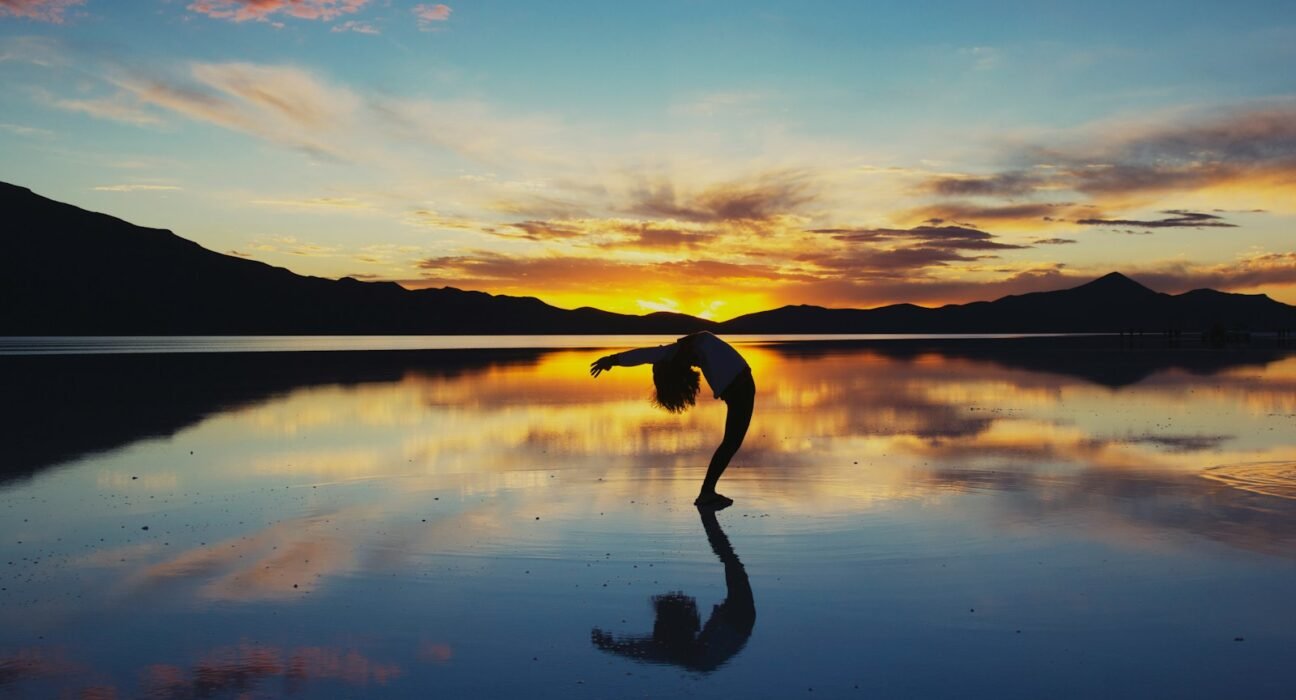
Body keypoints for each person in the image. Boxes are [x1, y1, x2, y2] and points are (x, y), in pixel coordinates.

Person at [590, 331, 754, 508]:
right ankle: (707, 492)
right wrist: (612, 360)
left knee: (730, 443)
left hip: (739, 388)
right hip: (739, 390)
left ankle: (707, 491)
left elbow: (644, 355)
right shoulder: (685, 349)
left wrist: (612, 360)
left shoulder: (678, 350)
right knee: (730, 443)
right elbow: (643, 355)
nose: (690, 364)